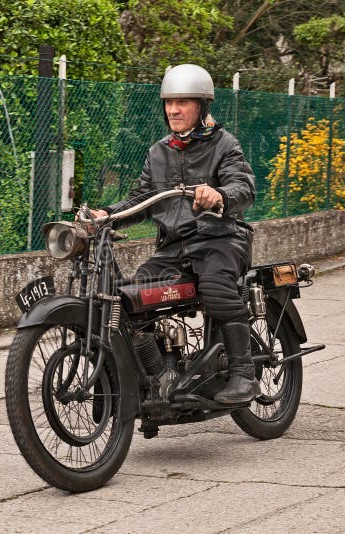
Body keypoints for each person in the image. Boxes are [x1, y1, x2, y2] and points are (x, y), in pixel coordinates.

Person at [87, 64, 259, 404]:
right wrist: (107, 215)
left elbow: (244, 185)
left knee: (215, 286)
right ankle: (159, 374)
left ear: (202, 105)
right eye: (169, 102)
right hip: (174, 248)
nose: (174, 110)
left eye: (183, 102)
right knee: (134, 297)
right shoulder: (159, 151)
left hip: (220, 239)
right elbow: (140, 199)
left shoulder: (224, 144)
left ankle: (244, 373)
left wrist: (220, 195)